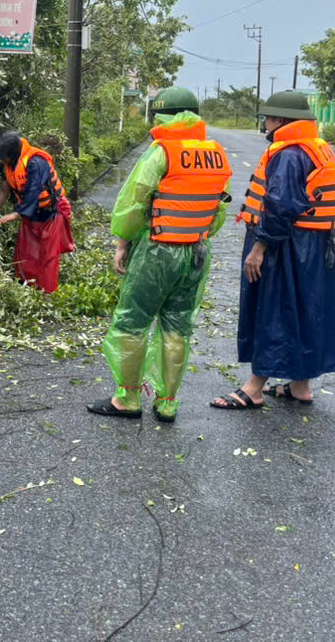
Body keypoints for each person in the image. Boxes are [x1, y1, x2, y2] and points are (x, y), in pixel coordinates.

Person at [87, 86, 232, 423]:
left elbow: (134, 201)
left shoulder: (162, 151)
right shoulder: (216, 153)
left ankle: (128, 399)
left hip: (158, 251)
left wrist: (123, 242)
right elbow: (218, 213)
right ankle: (167, 402)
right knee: (177, 327)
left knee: (133, 322)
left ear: (162, 116)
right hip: (195, 252)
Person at [211, 90, 335, 410]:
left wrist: (258, 248)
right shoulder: (317, 148)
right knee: (305, 310)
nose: (266, 123)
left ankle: (253, 388)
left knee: (275, 311)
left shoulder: (289, 154)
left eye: (270, 117)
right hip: (315, 246)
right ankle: (300, 385)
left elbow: (279, 207)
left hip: (288, 246)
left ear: (284, 121)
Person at [0, 130, 73, 293]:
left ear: (12, 153)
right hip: (31, 214)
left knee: (48, 257)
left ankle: (47, 295)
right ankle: (27, 289)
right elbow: (4, 190)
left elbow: (34, 189)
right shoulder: (8, 165)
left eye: (3, 157)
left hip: (51, 212)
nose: (2, 161)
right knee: (25, 254)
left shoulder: (36, 162)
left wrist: (17, 213)